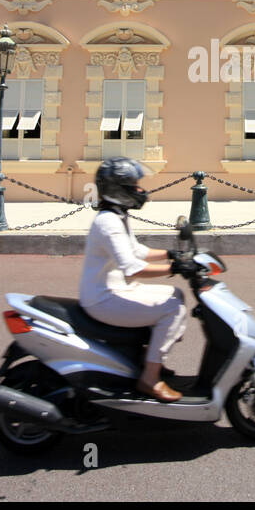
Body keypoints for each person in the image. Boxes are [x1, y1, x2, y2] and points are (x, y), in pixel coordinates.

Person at [78, 157, 190, 402]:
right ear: (119, 188)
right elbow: (132, 268)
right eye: (135, 185)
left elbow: (137, 251)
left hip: (118, 290)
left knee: (176, 295)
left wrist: (172, 254)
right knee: (172, 309)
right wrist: (175, 267)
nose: (140, 190)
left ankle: (146, 359)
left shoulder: (116, 216)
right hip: (103, 298)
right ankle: (149, 378)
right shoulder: (108, 222)